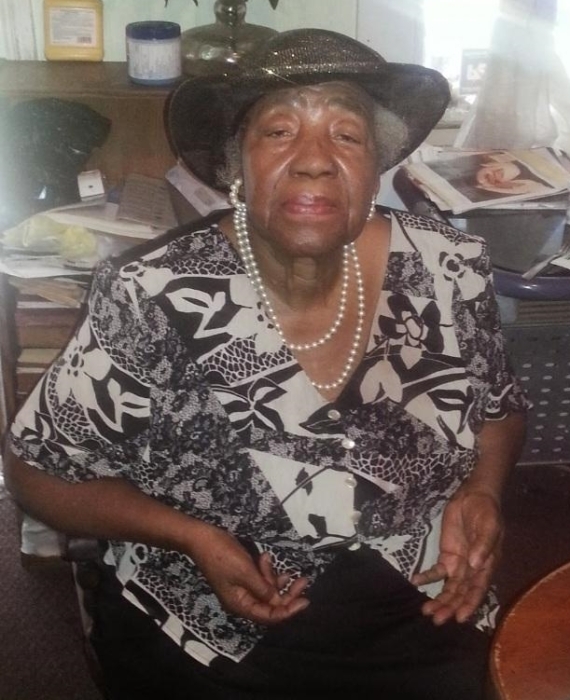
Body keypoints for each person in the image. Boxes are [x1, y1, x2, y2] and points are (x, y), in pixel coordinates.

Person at [4, 28, 528, 700]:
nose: (314, 161)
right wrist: (191, 536)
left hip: (427, 602)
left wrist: (483, 490)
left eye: (347, 135)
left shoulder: (448, 264)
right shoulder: (151, 296)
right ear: (236, 168)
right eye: (279, 132)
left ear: (375, 170)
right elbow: (37, 473)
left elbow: (499, 411)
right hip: (213, 628)